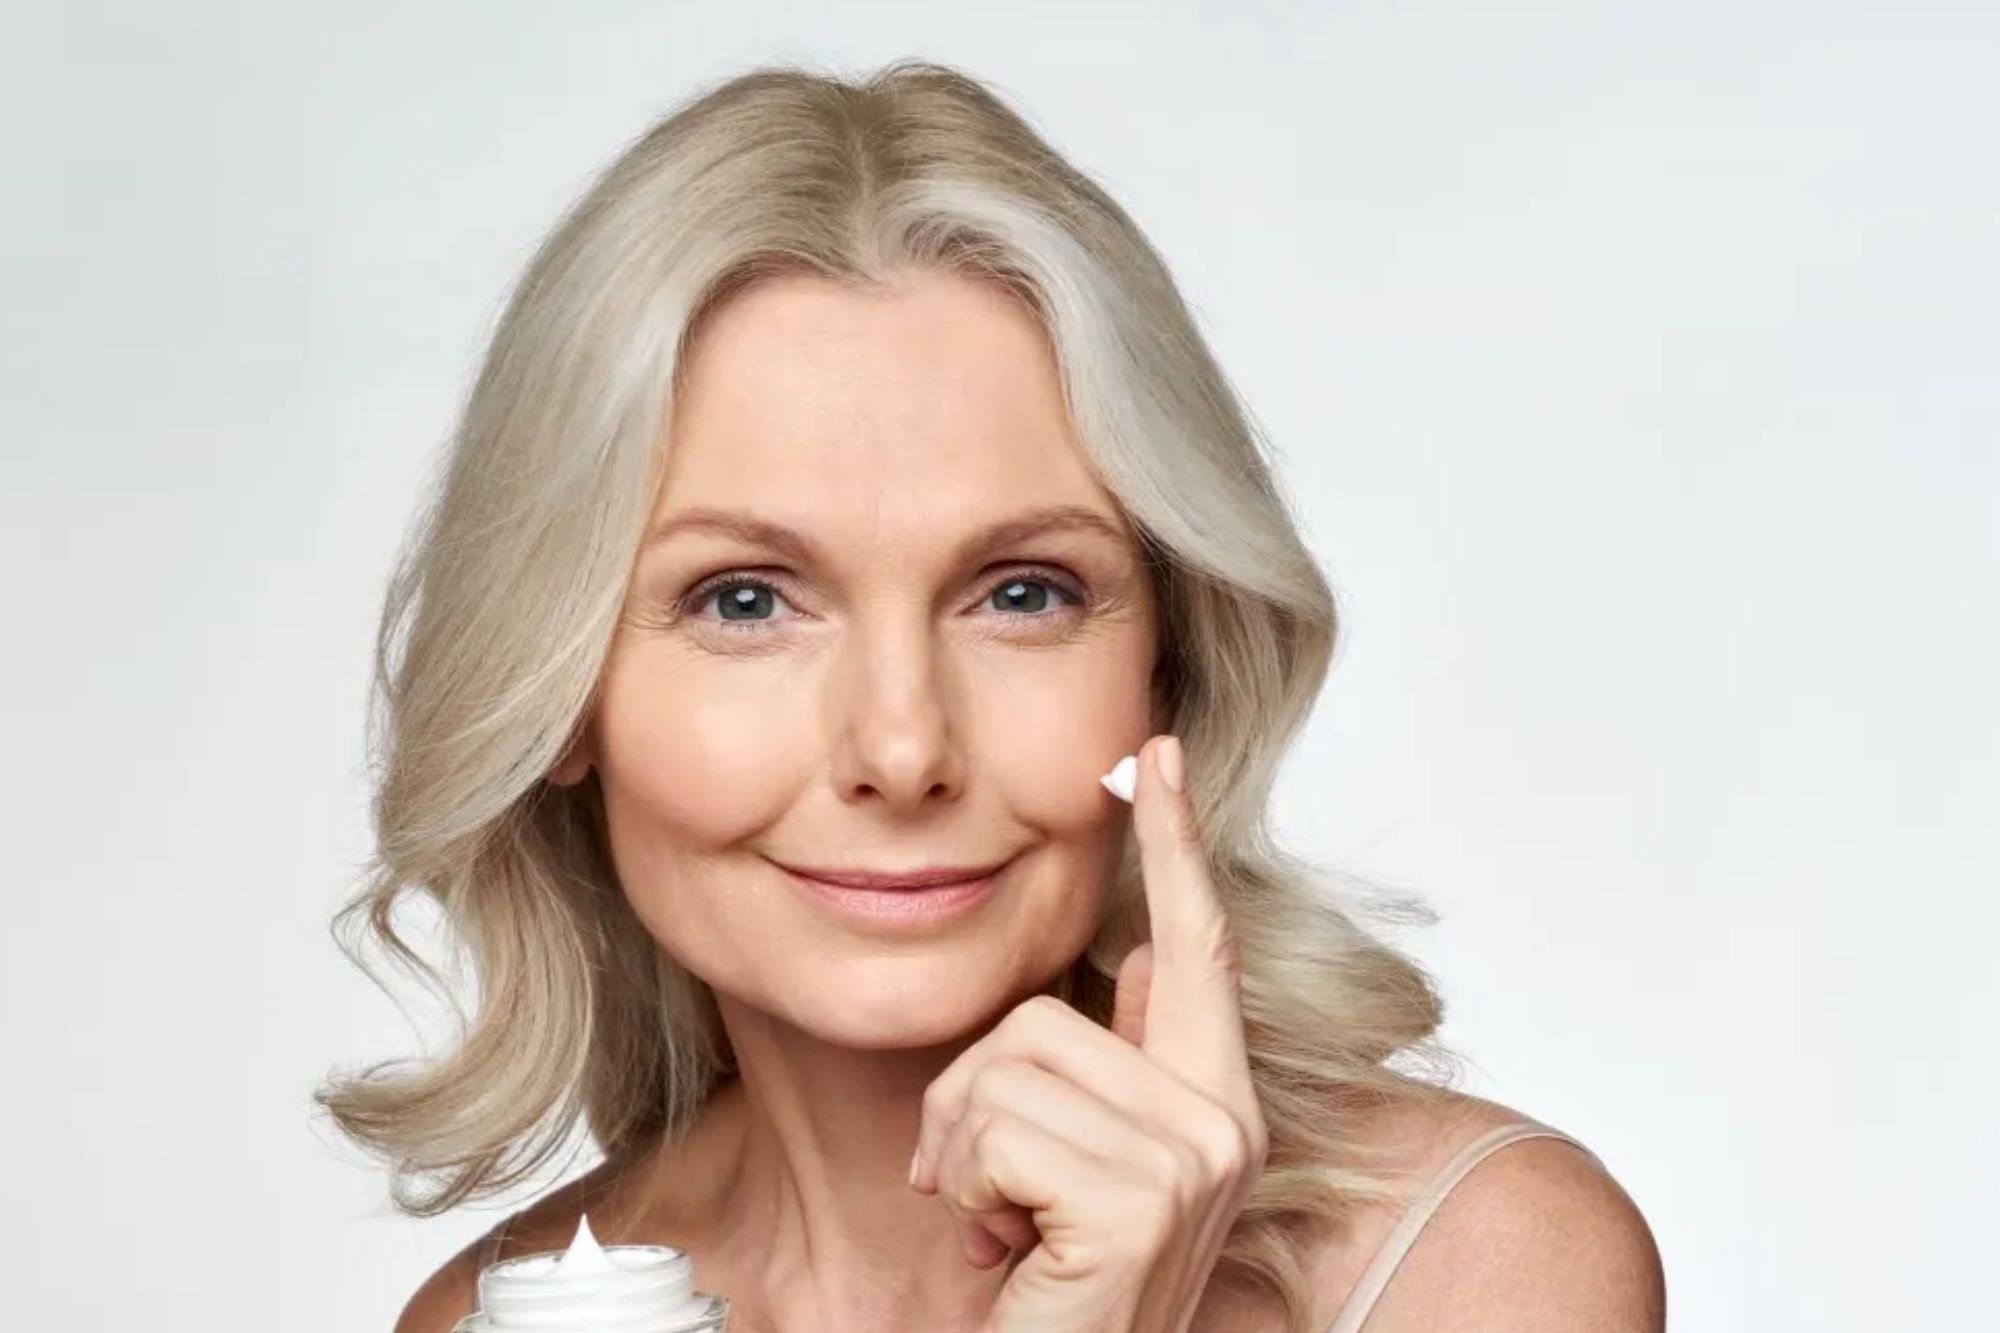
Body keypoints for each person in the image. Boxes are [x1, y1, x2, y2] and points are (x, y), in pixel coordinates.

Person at [317, 57, 1666, 1333]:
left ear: (1168, 667)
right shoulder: (504, 1314)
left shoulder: (1477, 1264)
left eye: (1023, 592)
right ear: (559, 694)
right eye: (745, 599)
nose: (901, 747)